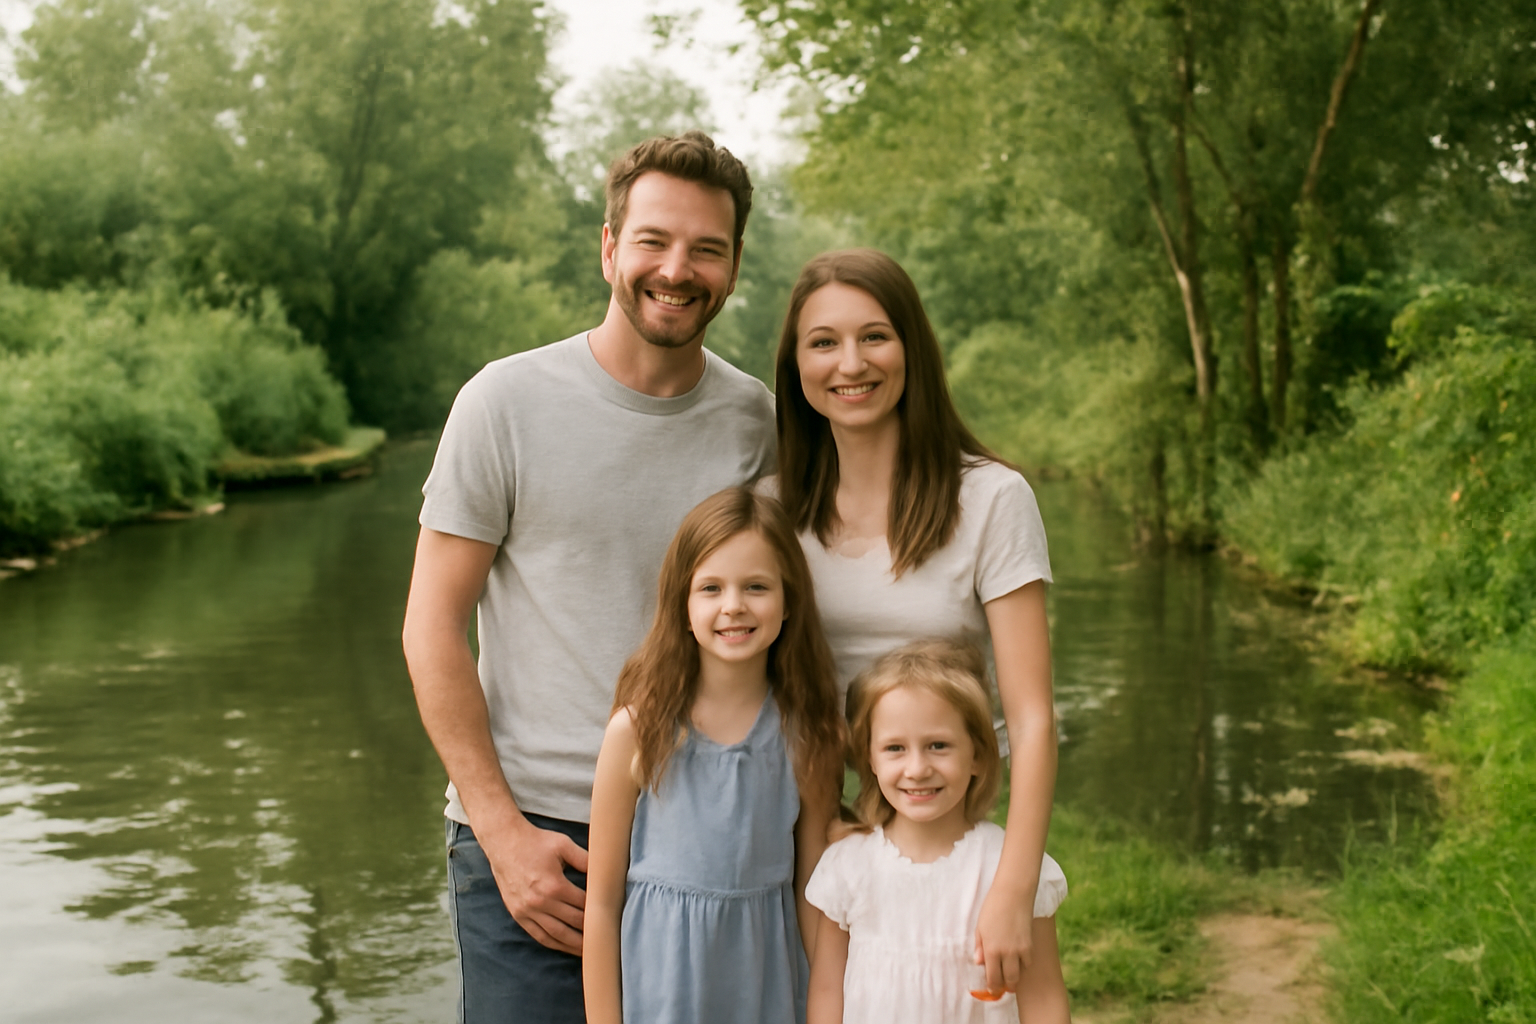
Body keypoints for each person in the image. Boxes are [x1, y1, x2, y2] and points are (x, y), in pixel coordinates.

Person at [401, 133, 775, 1024]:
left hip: (712, 824)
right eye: (652, 240)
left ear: (731, 268)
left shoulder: (755, 421)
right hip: (541, 841)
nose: (676, 269)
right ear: (609, 247)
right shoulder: (504, 402)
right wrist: (500, 834)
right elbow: (430, 628)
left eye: (706, 249)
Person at [770, 248, 1068, 1013]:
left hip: (943, 818)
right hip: (807, 824)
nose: (850, 363)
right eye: (823, 342)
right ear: (795, 363)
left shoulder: (992, 500)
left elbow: (1032, 718)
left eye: (875, 336)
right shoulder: (772, 510)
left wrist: (1013, 887)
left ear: (913, 348)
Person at [584, 487, 843, 1024]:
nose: (733, 606)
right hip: (663, 990)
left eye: (756, 586)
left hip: (766, 983)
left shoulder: (809, 734)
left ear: (789, 600)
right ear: (682, 604)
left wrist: (829, 1008)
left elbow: (813, 893)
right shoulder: (638, 731)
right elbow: (603, 905)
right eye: (711, 588)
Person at [805, 640, 1068, 1024]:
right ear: (870, 759)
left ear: (977, 754)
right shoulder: (848, 866)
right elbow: (828, 991)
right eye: (895, 748)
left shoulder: (1009, 868)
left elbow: (1043, 997)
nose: (917, 768)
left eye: (938, 746)